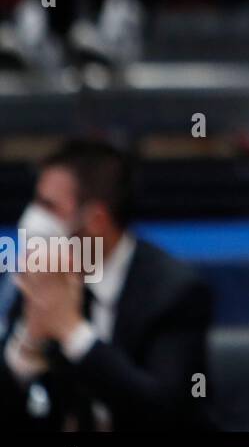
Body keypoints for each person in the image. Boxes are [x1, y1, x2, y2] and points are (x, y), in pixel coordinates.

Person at [0, 139, 213, 430]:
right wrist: (26, 348)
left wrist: (73, 332)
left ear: (97, 220)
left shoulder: (177, 292)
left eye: (49, 206)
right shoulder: (44, 279)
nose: (32, 220)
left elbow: (166, 412)